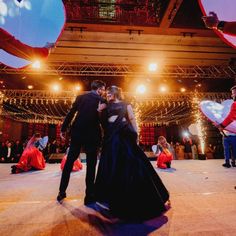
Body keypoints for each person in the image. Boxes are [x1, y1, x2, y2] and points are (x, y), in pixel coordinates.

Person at [95, 86, 169, 221]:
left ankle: (140, 197)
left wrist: (136, 136)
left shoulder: (126, 104)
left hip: (124, 135)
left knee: (131, 163)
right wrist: (100, 112)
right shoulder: (106, 105)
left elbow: (132, 119)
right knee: (112, 165)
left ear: (116, 93)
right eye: (107, 93)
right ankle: (112, 196)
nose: (108, 95)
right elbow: (103, 125)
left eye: (110, 93)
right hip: (112, 137)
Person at [57, 80, 106, 205]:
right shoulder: (102, 101)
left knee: (69, 162)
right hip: (93, 135)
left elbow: (71, 113)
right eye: (103, 89)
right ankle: (89, 196)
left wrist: (63, 129)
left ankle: (61, 192)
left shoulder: (80, 97)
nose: (104, 92)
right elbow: (103, 121)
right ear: (100, 89)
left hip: (77, 133)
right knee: (91, 165)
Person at [214, 85, 236, 167]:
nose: (232, 95)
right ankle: (228, 162)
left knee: (233, 150)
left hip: (233, 135)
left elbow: (231, 117)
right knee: (227, 150)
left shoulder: (234, 104)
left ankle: (233, 162)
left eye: (234, 93)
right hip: (226, 135)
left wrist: (221, 125)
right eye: (232, 93)